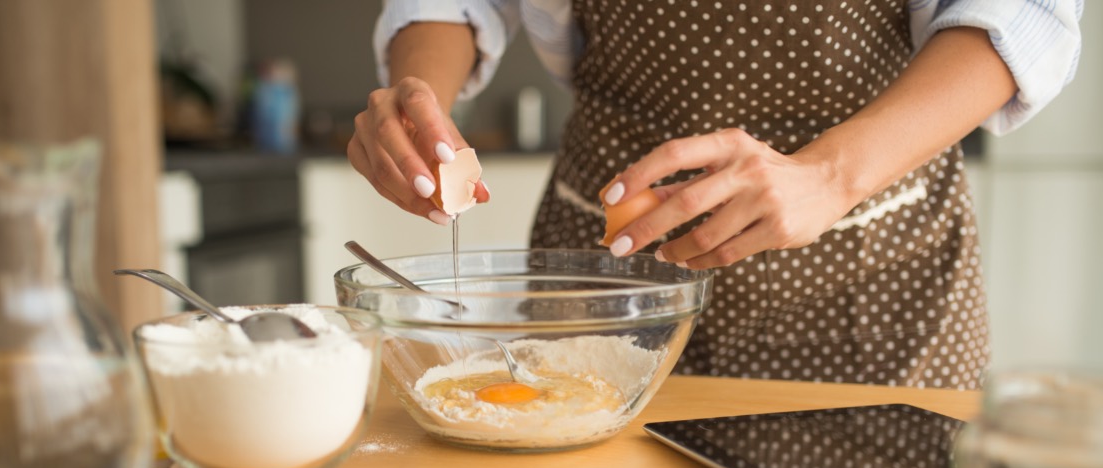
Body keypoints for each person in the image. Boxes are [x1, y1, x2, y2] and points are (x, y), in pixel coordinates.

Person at [347, 1, 1083, 390]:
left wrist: (830, 175)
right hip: (607, 279)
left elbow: (1026, 12)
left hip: (873, 283)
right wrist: (420, 102)